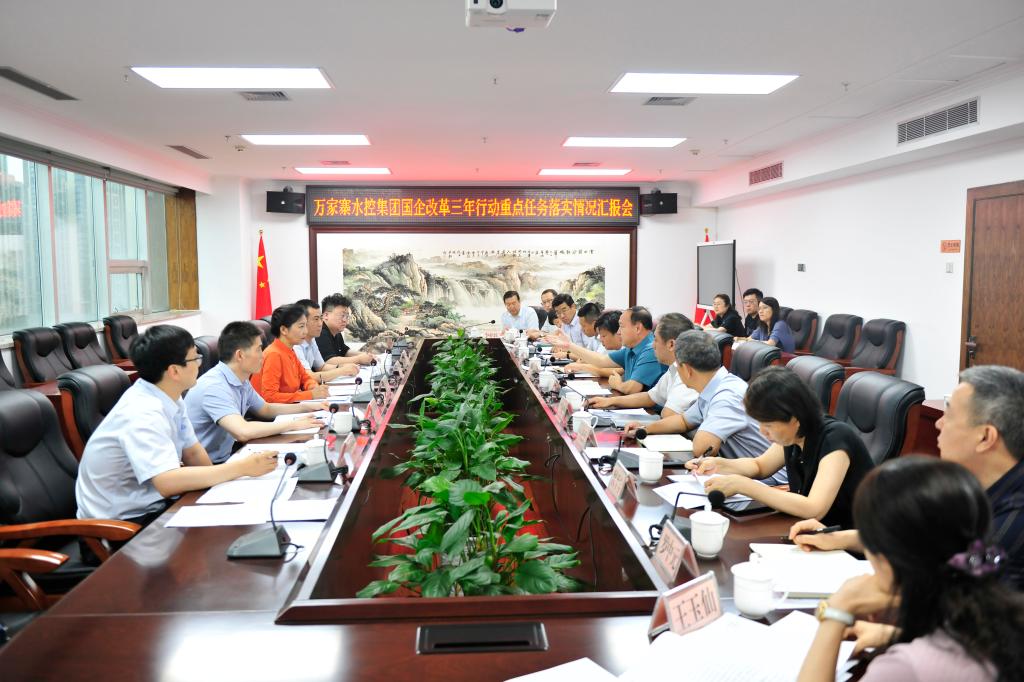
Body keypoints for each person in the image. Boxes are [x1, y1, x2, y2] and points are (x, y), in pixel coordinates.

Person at [792, 365, 1024, 590]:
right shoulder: (969, 485)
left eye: (949, 415)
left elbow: (957, 599)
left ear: (985, 437)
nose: (938, 423)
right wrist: (838, 538)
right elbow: (917, 539)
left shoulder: (1013, 522)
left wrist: (848, 607)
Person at [797, 457, 1024, 682]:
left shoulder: (906, 667)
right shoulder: (1004, 616)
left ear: (887, 561)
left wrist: (836, 612)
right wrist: (893, 634)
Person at [75, 325, 278, 525]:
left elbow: (193, 453)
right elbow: (167, 482)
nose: (199, 364)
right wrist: (241, 468)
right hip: (124, 521)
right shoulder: (142, 412)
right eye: (195, 358)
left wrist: (217, 491)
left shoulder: (170, 396)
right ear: (174, 371)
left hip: (157, 503)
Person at [688, 366, 873, 527]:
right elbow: (760, 466)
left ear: (794, 418)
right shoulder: (794, 435)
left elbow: (814, 508)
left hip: (852, 542)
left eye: (768, 425)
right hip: (812, 532)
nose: (763, 431)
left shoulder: (835, 438)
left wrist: (743, 485)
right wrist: (718, 464)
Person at [624, 330, 785, 484]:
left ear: (687, 370)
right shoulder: (713, 386)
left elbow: (702, 448)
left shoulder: (727, 395)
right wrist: (645, 428)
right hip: (737, 472)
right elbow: (683, 421)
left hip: (768, 481)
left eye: (678, 367)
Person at [185, 321, 328, 464]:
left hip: (227, 456)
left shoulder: (241, 379)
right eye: (259, 349)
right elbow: (242, 431)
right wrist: (293, 424)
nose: (263, 355)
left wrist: (306, 407)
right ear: (240, 355)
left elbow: (265, 409)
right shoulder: (214, 386)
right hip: (206, 467)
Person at [588, 313, 698, 416]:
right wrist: (610, 401)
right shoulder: (674, 368)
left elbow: (668, 415)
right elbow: (650, 397)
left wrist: (643, 426)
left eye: (656, 340)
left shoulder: (688, 373)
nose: (653, 345)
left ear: (671, 344)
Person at [554, 306, 666, 394]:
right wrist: (569, 345)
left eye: (621, 326)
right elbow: (601, 360)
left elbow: (632, 388)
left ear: (637, 328)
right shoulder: (631, 348)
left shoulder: (650, 349)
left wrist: (618, 385)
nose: (619, 332)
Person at [251, 304, 331, 404]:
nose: (305, 331)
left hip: (290, 406)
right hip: (272, 412)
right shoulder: (273, 354)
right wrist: (311, 394)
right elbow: (270, 397)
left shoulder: (290, 350)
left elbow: (305, 378)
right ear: (284, 330)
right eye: (301, 326)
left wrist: (313, 387)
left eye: (306, 325)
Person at [294, 299, 359, 382]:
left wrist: (343, 367)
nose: (320, 323)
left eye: (321, 318)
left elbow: (321, 367)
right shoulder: (295, 344)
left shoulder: (312, 339)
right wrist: (342, 371)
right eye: (316, 319)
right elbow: (308, 376)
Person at [317, 293, 373, 366]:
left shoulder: (336, 332)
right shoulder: (320, 332)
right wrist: (359, 359)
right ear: (326, 315)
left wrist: (366, 355)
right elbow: (329, 361)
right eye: (342, 315)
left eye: (347, 316)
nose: (345, 320)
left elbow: (345, 351)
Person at [565, 309, 624, 378]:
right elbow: (600, 360)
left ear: (618, 332)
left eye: (604, 336)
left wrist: (583, 367)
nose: (601, 339)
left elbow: (619, 371)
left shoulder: (627, 349)